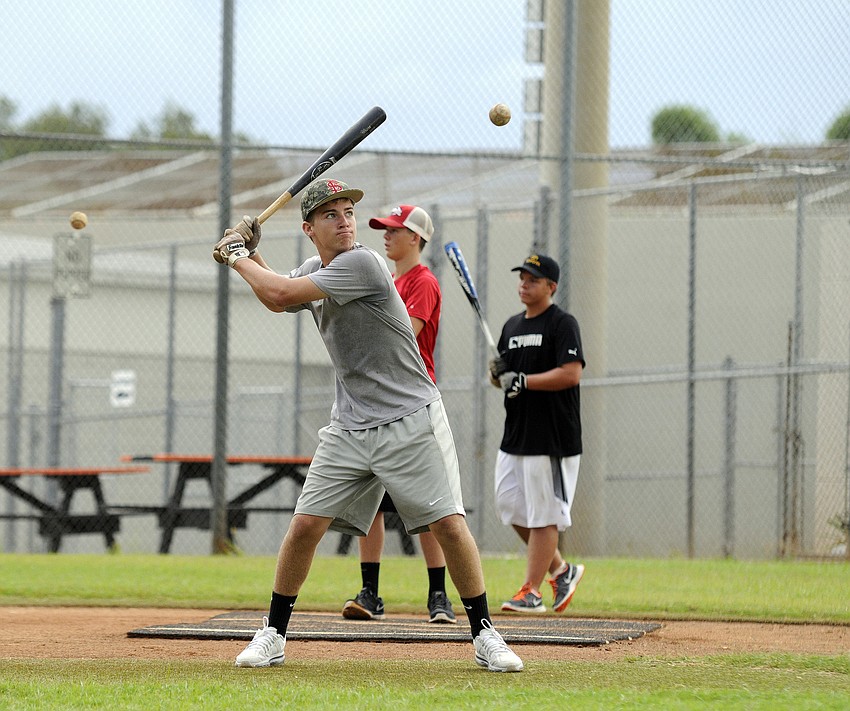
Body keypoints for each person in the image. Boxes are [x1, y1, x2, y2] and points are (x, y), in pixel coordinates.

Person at [213, 178, 522, 672]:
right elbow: (279, 296)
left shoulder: (364, 264)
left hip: (411, 417)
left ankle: (486, 635)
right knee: (305, 526)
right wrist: (251, 253)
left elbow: (276, 289)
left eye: (348, 212)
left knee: (448, 523)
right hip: (350, 424)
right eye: (331, 214)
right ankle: (272, 633)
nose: (345, 221)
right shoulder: (318, 268)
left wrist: (235, 256)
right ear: (309, 228)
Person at [341, 204, 456, 625]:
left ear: (416, 239)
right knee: (369, 504)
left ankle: (439, 596)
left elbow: (403, 333)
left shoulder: (422, 282)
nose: (386, 236)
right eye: (384, 230)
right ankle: (370, 593)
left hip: (410, 402)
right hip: (374, 406)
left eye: (395, 230)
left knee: (425, 505)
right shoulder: (387, 281)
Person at [488, 253, 586, 614]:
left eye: (532, 279)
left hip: (552, 437)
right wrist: (497, 373)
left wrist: (525, 381)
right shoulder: (512, 326)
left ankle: (531, 591)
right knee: (511, 507)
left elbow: (571, 373)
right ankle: (561, 569)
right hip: (516, 434)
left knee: (544, 515)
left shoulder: (562, 323)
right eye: (522, 278)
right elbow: (503, 380)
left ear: (551, 287)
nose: (524, 284)